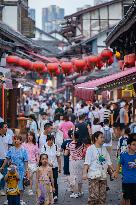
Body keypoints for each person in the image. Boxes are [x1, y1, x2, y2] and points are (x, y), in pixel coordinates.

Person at [83, 131, 114, 205]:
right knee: (94, 197)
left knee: (102, 198)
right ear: (96, 138)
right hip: (93, 176)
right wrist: (84, 173)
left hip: (103, 176)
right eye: (101, 137)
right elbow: (87, 162)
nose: (103, 139)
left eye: (103, 137)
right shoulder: (90, 149)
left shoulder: (104, 149)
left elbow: (109, 162)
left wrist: (114, 171)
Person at [0, 135, 28, 205]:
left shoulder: (24, 150)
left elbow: (26, 161)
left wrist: (26, 170)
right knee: (10, 185)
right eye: (15, 139)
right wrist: (2, 167)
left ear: (21, 141)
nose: (16, 140)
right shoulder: (11, 149)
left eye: (18, 139)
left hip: (20, 170)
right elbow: (7, 158)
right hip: (11, 171)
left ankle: (21, 200)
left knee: (20, 185)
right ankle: (8, 199)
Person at [114, 137, 136, 205]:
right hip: (126, 181)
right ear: (129, 145)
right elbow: (119, 163)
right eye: (134, 144)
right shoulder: (123, 155)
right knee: (126, 198)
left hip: (135, 181)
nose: (135, 146)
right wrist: (116, 172)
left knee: (133, 199)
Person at [40, 135, 61, 202]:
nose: (51, 141)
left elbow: (58, 157)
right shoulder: (44, 147)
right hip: (46, 168)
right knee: (46, 181)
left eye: (52, 140)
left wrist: (60, 167)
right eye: (50, 140)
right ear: (47, 140)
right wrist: (48, 163)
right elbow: (43, 157)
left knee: (54, 181)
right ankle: (46, 195)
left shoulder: (56, 146)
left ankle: (55, 195)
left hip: (54, 167)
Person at [65, 129, 84, 198]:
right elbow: (83, 153)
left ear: (73, 136)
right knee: (79, 177)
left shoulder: (69, 144)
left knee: (73, 177)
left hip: (73, 162)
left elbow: (66, 154)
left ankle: (75, 193)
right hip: (81, 161)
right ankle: (80, 191)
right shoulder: (81, 143)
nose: (71, 135)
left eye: (72, 134)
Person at [0, 122, 11, 196]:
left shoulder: (9, 136)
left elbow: (9, 148)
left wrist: (9, 158)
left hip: (5, 159)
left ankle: (1, 189)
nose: (6, 128)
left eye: (7, 127)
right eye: (5, 127)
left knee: (3, 175)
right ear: (1, 128)